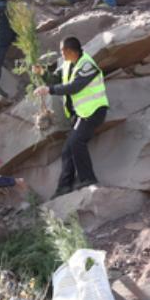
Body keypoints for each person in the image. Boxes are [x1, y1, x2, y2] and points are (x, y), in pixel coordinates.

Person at [33, 36, 109, 199]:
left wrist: (49, 90)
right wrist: (43, 73)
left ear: (69, 50)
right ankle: (64, 187)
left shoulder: (87, 64)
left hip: (94, 111)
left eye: (62, 50)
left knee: (76, 142)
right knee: (68, 149)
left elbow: (75, 87)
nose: (61, 53)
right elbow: (55, 79)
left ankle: (88, 178)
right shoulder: (67, 64)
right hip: (82, 114)